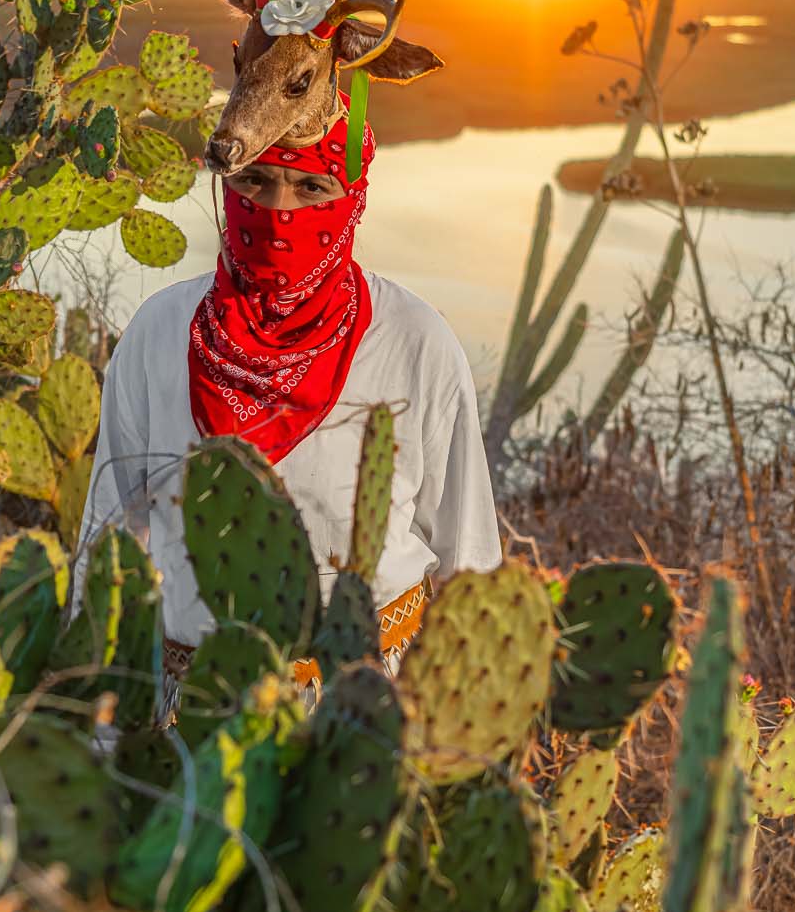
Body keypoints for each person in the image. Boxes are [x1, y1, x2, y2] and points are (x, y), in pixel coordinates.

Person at [75, 93, 502, 710]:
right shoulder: (160, 333)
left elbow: (469, 559)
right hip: (196, 713)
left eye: (312, 189)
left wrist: (463, 744)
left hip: (367, 719)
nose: (278, 213)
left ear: (353, 197)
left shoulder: (415, 340)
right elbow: (108, 541)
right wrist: (101, 728)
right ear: (226, 186)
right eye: (256, 181)